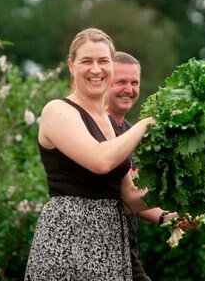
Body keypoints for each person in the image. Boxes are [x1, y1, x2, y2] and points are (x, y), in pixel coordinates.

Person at [24, 28, 155, 280]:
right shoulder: (58, 110)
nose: (96, 69)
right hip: (67, 243)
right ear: (71, 66)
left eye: (103, 61)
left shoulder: (109, 122)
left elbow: (128, 197)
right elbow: (99, 160)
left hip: (110, 245)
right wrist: (146, 123)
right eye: (87, 61)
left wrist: (181, 195)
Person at [108, 51, 181, 281]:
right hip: (101, 245)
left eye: (134, 82)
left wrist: (167, 217)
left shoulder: (131, 131)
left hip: (126, 247)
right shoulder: (96, 128)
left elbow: (132, 195)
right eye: (120, 82)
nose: (128, 89)